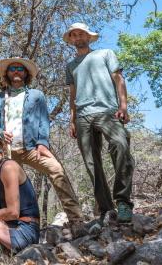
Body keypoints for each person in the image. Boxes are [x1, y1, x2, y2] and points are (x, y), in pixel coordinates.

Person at [0, 57, 83, 228]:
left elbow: (43, 121)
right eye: (12, 69)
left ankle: (76, 219)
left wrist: (42, 143)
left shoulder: (36, 95)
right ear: (7, 74)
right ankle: (7, 227)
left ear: (26, 73)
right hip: (7, 151)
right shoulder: (0, 97)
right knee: (2, 186)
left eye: (20, 68)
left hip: (32, 148)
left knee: (56, 169)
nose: (16, 71)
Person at [64, 22, 134, 224]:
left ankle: (123, 202)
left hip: (107, 111)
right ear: (71, 40)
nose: (78, 38)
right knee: (91, 163)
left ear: (88, 36)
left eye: (81, 34)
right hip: (83, 116)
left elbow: (118, 79)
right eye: (74, 35)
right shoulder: (71, 66)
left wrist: (123, 106)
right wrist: (72, 119)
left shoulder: (105, 54)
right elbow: (73, 93)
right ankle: (106, 209)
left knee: (120, 145)